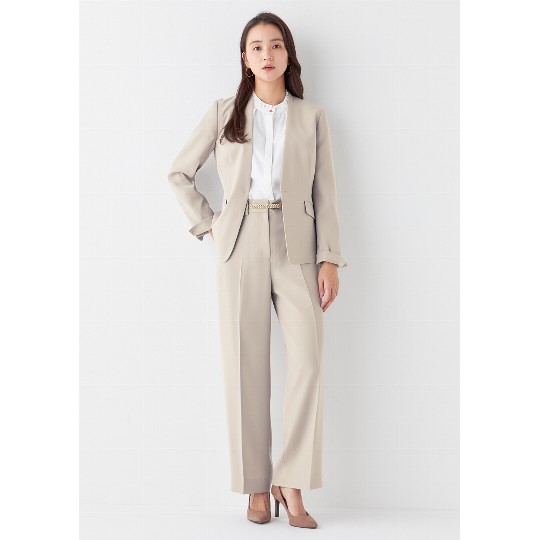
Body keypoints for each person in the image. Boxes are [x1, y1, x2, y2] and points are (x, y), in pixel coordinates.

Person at [167, 11, 347, 529]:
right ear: (245, 60)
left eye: (276, 45)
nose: (267, 54)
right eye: (256, 47)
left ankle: (291, 479)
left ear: (288, 54)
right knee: (245, 367)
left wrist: (330, 257)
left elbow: (326, 191)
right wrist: (211, 224)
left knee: (308, 362)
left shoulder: (312, 117)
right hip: (240, 242)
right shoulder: (224, 112)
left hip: (300, 247)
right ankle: (255, 486)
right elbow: (178, 173)